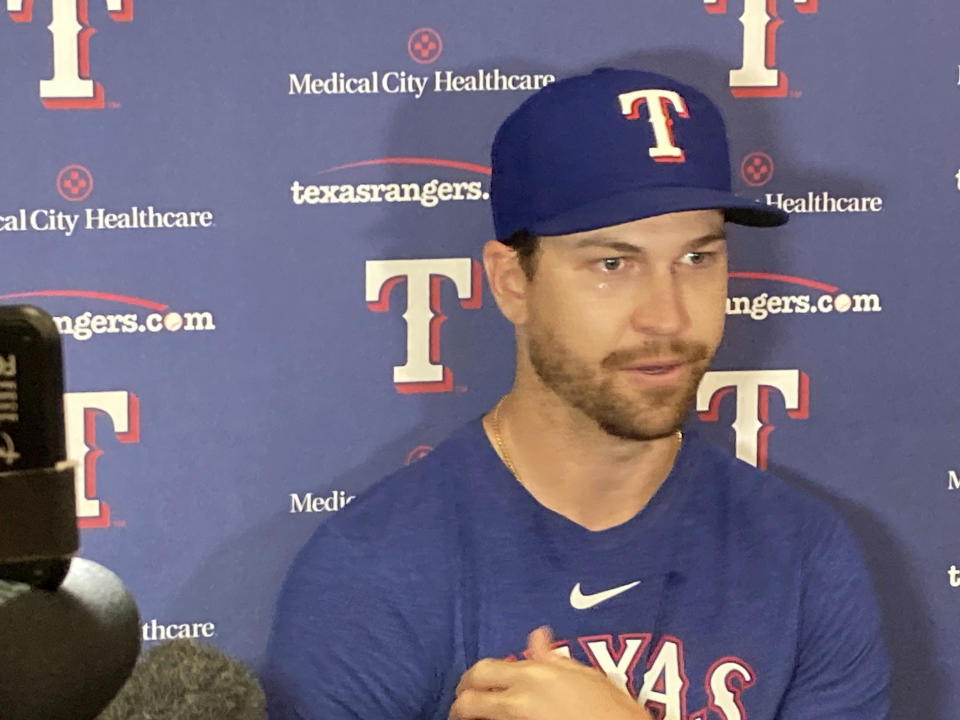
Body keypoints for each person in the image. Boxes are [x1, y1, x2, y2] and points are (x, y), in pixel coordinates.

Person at [264, 68, 890, 720]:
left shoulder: (802, 554)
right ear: (511, 282)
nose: (668, 316)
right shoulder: (377, 573)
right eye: (613, 264)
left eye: (697, 259)